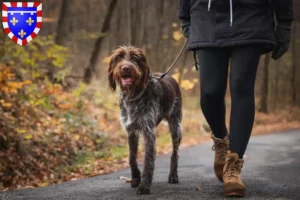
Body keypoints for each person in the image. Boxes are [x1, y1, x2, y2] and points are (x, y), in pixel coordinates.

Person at [178, 0, 294, 197]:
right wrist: (184, 16)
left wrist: (284, 22)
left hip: (252, 15)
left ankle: (234, 164)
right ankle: (222, 140)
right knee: (210, 92)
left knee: (241, 87)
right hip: (207, 17)